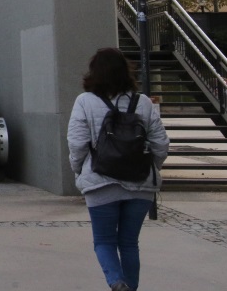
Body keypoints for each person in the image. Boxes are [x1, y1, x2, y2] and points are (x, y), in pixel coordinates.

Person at [68, 48, 168, 291]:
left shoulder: (85, 101)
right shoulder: (143, 102)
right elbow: (161, 143)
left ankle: (116, 282)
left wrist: (79, 170)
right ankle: (129, 288)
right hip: (140, 185)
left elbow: (77, 143)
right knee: (129, 243)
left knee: (104, 241)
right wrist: (150, 165)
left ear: (94, 73)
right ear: (126, 72)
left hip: (101, 183)